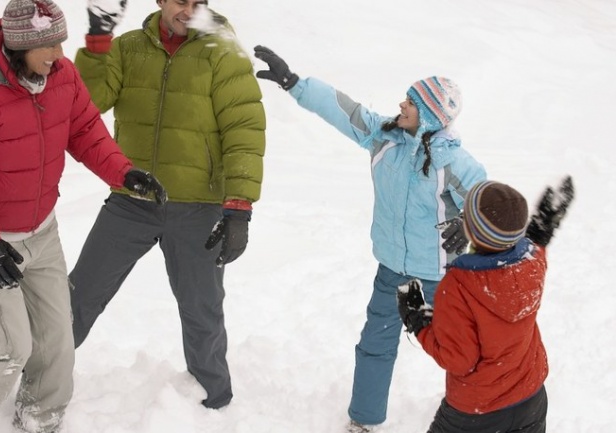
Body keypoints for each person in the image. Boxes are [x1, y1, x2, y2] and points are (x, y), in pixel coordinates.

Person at [0, 0, 164, 432]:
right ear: (19, 47)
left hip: (43, 232)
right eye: (48, 47)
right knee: (10, 345)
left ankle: (41, 417)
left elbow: (85, 131)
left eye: (61, 42)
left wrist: (124, 172)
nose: (58, 54)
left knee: (59, 341)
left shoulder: (61, 77)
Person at [253, 46, 487, 432]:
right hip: (392, 270)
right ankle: (364, 420)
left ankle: (477, 411)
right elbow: (344, 109)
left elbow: (491, 202)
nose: (402, 104)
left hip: (439, 276)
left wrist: (469, 222)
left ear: (428, 116)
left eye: (411, 102)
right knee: (374, 345)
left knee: (462, 350)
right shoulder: (386, 138)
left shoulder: (455, 163)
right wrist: (295, 83)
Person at [69, 0, 266, 409]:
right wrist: (98, 44)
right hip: (131, 199)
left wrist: (239, 206)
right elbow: (86, 106)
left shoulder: (222, 49)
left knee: (202, 308)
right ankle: (39, 377)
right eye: (180, 1)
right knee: (79, 294)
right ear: (160, 1)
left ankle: (214, 401)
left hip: (198, 205)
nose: (188, 10)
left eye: (198, 3)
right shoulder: (128, 48)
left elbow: (243, 126)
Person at [396, 177, 574, 433]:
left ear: (471, 230)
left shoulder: (458, 287)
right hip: (531, 398)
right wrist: (542, 226)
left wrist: (418, 321)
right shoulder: (532, 264)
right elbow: (534, 248)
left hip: (477, 411)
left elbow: (459, 360)